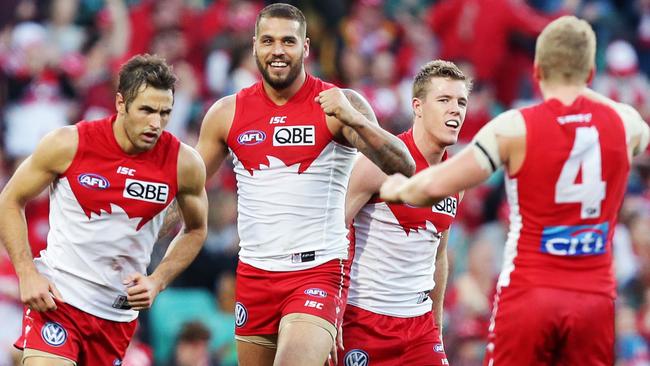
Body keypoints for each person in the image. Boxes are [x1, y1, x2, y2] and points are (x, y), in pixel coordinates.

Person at [380, 16, 650, 365]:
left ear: (537, 70)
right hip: (594, 298)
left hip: (531, 290)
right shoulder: (624, 121)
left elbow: (434, 185)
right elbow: (631, 129)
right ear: (588, 73)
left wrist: (398, 187)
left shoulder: (515, 126)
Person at [192, 3, 414, 366]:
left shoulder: (339, 104)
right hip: (254, 273)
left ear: (306, 47)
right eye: (268, 40)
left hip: (318, 270)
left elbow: (402, 164)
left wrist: (354, 120)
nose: (277, 50)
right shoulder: (226, 113)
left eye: (288, 41)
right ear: (254, 46)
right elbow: (187, 186)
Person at [0, 54, 208, 366]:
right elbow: (10, 200)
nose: (156, 122)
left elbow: (196, 229)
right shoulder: (68, 143)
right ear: (121, 103)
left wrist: (159, 279)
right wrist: (27, 272)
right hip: (58, 301)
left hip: (116, 316)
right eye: (147, 110)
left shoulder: (184, 163)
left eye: (165, 113)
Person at [340, 60, 470, 366]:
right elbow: (333, 230)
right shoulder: (380, 161)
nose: (456, 110)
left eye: (461, 102)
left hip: (419, 327)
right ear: (418, 106)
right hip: (363, 321)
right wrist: (329, 312)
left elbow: (438, 255)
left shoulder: (455, 178)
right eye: (444, 100)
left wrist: (436, 330)